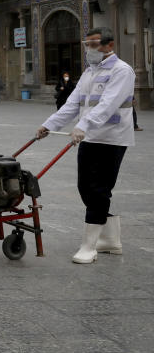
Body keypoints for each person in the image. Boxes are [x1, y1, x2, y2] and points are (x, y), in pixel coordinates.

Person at [35, 27, 135, 265]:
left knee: (99, 189)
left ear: (110, 46)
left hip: (111, 138)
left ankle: (89, 246)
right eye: (86, 44)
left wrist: (84, 124)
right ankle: (110, 240)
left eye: (94, 44)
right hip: (88, 137)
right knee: (85, 188)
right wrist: (48, 125)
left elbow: (108, 105)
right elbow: (71, 104)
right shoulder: (89, 72)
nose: (89, 49)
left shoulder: (122, 71)